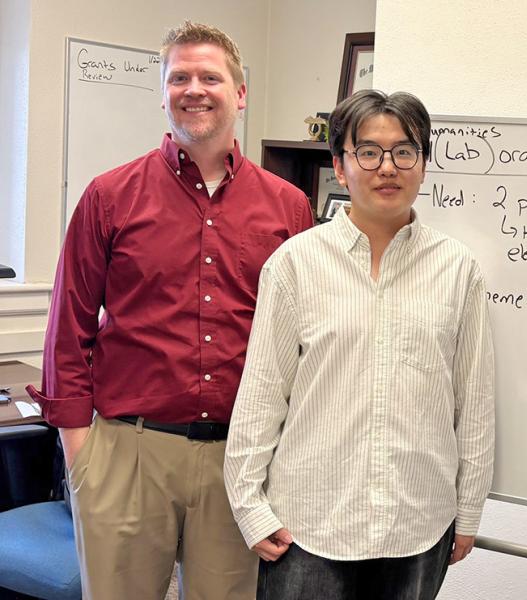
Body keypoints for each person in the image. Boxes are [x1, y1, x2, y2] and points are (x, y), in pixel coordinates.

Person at [26, 21, 314, 600]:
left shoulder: (288, 207)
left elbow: (304, 339)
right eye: (179, 77)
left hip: (240, 461)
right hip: (127, 454)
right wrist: (83, 457)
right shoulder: (109, 196)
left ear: (240, 92)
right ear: (162, 92)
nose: (194, 89)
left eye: (210, 77)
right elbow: (69, 329)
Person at [224, 89, 495, 599]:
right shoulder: (295, 264)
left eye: (404, 151)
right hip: (309, 523)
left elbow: (474, 402)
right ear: (340, 167)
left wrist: (469, 509)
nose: (387, 167)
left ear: (423, 165)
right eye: (368, 152)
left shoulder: (458, 270)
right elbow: (262, 394)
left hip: (419, 521)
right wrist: (249, 505)